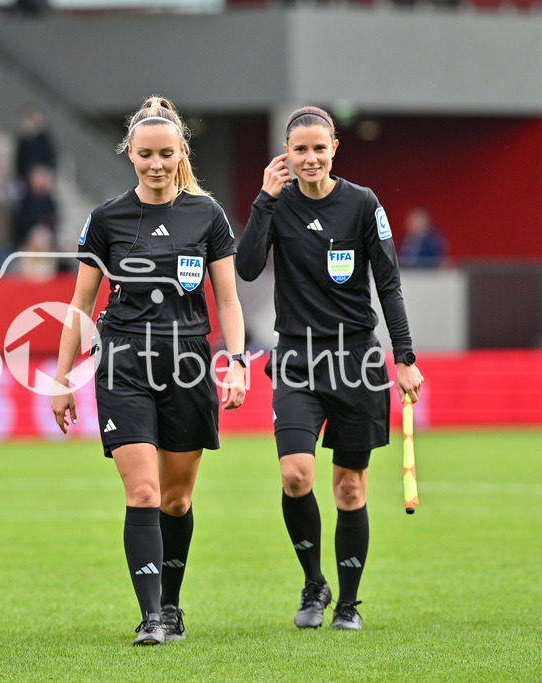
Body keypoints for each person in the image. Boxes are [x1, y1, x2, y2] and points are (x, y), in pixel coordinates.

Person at [51, 96, 247, 646]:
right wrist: (62, 378)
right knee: (142, 492)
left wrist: (236, 362)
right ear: (129, 155)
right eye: (144, 155)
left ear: (181, 152)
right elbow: (80, 303)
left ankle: (172, 603)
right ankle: (152, 616)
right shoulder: (107, 218)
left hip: (188, 362)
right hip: (123, 363)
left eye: (165, 154)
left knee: (176, 499)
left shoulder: (207, 215)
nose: (155, 165)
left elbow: (228, 300)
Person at [236, 106, 424, 632]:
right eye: (300, 150)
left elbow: (388, 283)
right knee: (296, 475)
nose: (310, 158)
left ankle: (348, 602)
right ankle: (313, 582)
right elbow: (247, 267)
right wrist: (263, 199)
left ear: (334, 148)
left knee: (349, 489)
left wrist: (404, 357)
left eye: (319, 148)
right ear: (287, 154)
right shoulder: (277, 203)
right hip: (296, 359)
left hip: (357, 360)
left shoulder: (363, 204)